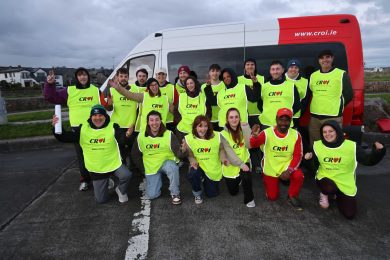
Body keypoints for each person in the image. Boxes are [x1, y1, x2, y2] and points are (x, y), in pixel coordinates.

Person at [304, 120, 386, 219]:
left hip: (345, 182)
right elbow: (313, 166)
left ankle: (338, 193)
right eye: (324, 132)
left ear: (337, 131)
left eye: (331, 131)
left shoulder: (352, 146)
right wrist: (308, 159)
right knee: (329, 188)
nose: (327, 134)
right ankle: (325, 194)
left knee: (349, 214)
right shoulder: (317, 146)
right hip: (325, 178)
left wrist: (378, 151)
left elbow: (368, 161)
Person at [52, 105, 132, 203]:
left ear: (105, 116)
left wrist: (127, 135)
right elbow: (65, 137)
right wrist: (56, 126)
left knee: (126, 175)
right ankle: (106, 181)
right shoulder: (83, 129)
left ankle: (120, 190)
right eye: (95, 115)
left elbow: (121, 139)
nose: (97, 118)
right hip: (97, 168)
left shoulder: (113, 126)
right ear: (90, 117)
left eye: (100, 115)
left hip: (113, 163)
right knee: (101, 200)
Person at [44, 67, 107, 191]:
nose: (83, 77)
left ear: (88, 77)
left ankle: (100, 178)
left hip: (94, 128)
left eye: (85, 75)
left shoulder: (95, 90)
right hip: (78, 130)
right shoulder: (69, 90)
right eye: (80, 75)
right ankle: (85, 179)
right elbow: (52, 97)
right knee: (81, 156)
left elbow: (104, 106)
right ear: (76, 77)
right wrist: (49, 84)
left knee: (97, 153)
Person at [250, 108, 304, 210]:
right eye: (281, 119)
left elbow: (298, 155)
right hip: (271, 167)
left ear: (291, 121)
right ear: (276, 120)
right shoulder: (267, 133)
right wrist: (254, 136)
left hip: (286, 166)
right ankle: (270, 182)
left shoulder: (296, 135)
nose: (283, 123)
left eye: (287, 120)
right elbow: (253, 145)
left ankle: (292, 196)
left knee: (298, 175)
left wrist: (289, 170)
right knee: (272, 197)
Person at [131, 110, 185, 204]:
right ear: (148, 122)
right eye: (151, 120)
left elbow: (178, 152)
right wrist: (143, 169)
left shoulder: (169, 134)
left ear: (160, 121)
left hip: (167, 162)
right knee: (152, 195)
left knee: (172, 168)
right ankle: (156, 180)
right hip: (151, 166)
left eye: (157, 120)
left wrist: (184, 150)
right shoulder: (141, 136)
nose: (154, 123)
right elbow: (135, 155)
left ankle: (175, 193)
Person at [308, 50, 353, 146]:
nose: (325, 60)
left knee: (333, 144)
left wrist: (337, 105)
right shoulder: (314, 75)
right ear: (319, 60)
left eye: (327, 57)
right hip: (315, 117)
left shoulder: (341, 74)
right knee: (315, 145)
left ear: (332, 58)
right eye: (322, 58)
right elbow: (312, 91)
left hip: (333, 117)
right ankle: (316, 161)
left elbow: (349, 94)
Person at [182, 115, 228, 203]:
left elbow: (221, 149)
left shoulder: (217, 136)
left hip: (212, 167)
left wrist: (223, 158)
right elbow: (190, 154)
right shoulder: (189, 138)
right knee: (193, 173)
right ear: (195, 127)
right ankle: (197, 193)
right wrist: (192, 160)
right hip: (199, 165)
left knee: (212, 194)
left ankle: (205, 179)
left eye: (205, 126)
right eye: (200, 126)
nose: (203, 129)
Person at [220, 108, 255, 207]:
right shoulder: (223, 134)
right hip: (231, 163)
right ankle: (239, 179)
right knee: (233, 192)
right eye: (231, 117)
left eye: (236, 117)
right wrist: (240, 164)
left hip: (244, 160)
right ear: (227, 119)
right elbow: (229, 152)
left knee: (247, 177)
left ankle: (250, 200)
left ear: (239, 118)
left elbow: (249, 146)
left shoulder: (243, 128)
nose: (234, 119)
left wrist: (247, 129)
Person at [106, 68, 138, 165]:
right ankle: (122, 173)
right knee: (120, 152)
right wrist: (109, 105)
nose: (123, 78)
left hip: (131, 125)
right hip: (117, 125)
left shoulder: (135, 89)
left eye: (125, 76)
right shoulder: (111, 90)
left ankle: (134, 173)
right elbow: (109, 108)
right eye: (121, 76)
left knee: (133, 152)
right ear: (117, 77)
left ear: (128, 77)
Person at [257, 60, 301, 130]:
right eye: (273, 69)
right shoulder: (264, 87)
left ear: (283, 70)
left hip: (285, 124)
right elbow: (259, 104)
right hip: (267, 124)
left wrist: (287, 116)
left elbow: (297, 105)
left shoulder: (291, 86)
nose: (275, 72)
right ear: (270, 71)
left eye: (278, 69)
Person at [175, 76, 207, 142]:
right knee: (185, 151)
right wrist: (180, 121)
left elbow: (208, 112)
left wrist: (203, 126)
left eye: (191, 83)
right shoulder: (182, 96)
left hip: (200, 131)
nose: (189, 85)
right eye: (187, 84)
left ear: (195, 83)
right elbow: (176, 112)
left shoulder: (203, 96)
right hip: (183, 130)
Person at [237, 58, 265, 127]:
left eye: (252, 64)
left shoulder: (262, 78)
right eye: (247, 64)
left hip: (260, 114)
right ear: (244, 67)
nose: (250, 66)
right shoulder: (238, 80)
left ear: (255, 66)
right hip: (244, 115)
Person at [201, 64, 225, 131]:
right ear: (209, 73)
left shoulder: (224, 85)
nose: (215, 73)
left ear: (220, 72)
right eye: (212, 71)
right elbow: (203, 103)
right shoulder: (203, 87)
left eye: (217, 71)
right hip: (210, 119)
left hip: (223, 119)